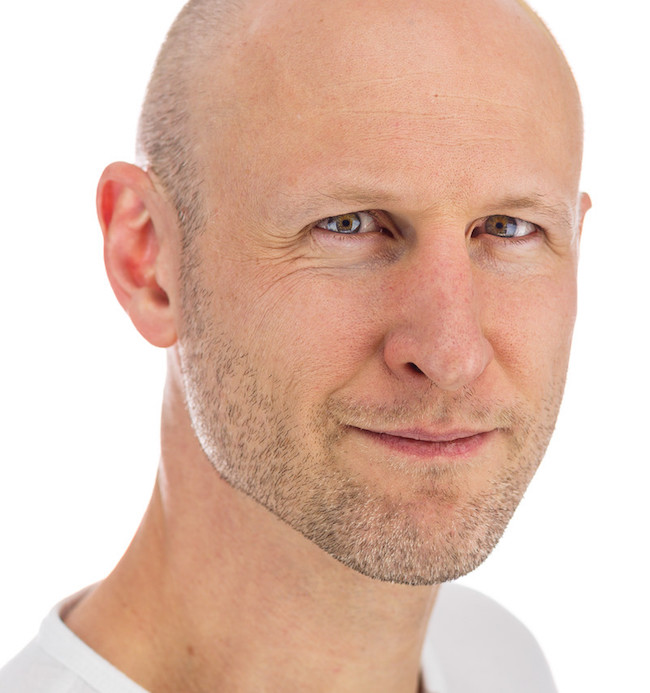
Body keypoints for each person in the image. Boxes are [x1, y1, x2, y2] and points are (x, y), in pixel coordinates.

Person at [0, 0, 591, 690]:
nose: (451, 355)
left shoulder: (497, 660)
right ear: (149, 260)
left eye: (509, 228)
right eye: (348, 224)